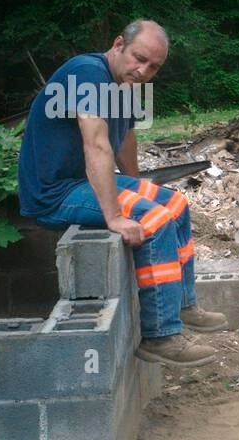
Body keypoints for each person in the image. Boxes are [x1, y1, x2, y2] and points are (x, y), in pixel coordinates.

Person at [18, 19, 225, 367]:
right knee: (154, 220)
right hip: (55, 192)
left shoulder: (127, 84)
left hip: (83, 182)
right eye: (138, 58)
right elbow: (96, 144)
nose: (143, 71)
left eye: (153, 67)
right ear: (118, 45)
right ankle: (160, 336)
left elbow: (125, 136)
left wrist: (139, 185)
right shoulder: (87, 73)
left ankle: (184, 304)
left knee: (175, 203)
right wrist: (115, 216)